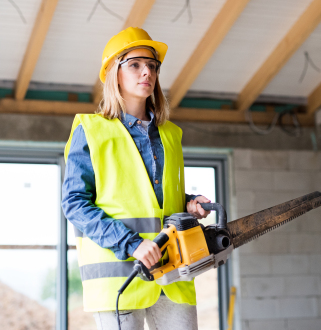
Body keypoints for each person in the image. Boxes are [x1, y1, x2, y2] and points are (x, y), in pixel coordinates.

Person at [62, 27, 211, 330]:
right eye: (135, 65)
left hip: (174, 272)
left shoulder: (171, 135)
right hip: (122, 275)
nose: (147, 72)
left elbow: (155, 196)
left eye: (152, 66)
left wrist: (189, 203)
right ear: (114, 74)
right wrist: (131, 244)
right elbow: (75, 204)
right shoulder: (91, 131)